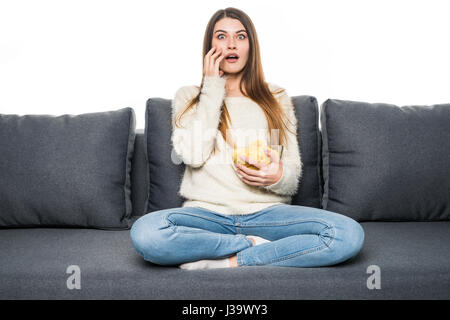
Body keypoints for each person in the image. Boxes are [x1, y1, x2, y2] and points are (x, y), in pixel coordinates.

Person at [130, 7, 364, 270]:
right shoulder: (189, 96)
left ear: (251, 46)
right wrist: (212, 86)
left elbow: (292, 176)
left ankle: (234, 259)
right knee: (146, 233)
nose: (231, 44)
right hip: (206, 215)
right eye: (221, 36)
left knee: (347, 234)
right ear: (209, 46)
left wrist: (276, 176)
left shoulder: (276, 97)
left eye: (240, 37)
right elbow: (194, 156)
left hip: (268, 215)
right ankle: (251, 244)